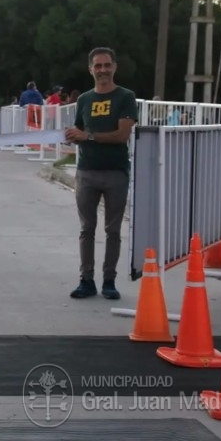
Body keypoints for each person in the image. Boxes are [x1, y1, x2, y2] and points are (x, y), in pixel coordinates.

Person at [64, 47, 138, 300]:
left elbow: (122, 135)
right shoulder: (84, 99)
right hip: (86, 172)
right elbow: (80, 132)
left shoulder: (126, 97)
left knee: (113, 230)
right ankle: (86, 280)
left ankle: (109, 280)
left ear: (114, 67)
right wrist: (73, 137)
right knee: (87, 229)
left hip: (116, 172)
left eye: (107, 65)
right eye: (98, 66)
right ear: (90, 69)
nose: (103, 70)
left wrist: (88, 136)